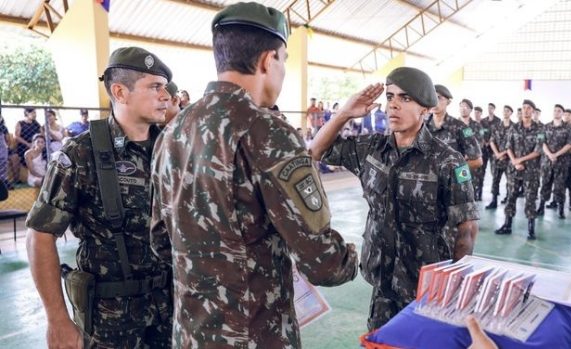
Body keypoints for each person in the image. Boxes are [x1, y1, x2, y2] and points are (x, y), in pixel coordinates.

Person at [150, 3, 358, 347]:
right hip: (254, 335)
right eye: (284, 60)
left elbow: (161, 241)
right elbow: (323, 262)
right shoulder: (267, 131)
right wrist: (352, 258)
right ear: (267, 60)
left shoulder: (173, 131)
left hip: (191, 334)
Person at [26, 46, 173, 348]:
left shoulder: (172, 149)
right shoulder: (80, 153)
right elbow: (40, 236)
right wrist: (58, 320)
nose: (166, 96)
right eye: (155, 87)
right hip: (110, 322)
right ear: (120, 92)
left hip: (169, 311)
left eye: (166, 87)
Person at [311, 66, 479, 331]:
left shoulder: (447, 160)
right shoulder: (372, 148)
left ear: (425, 108)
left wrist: (454, 287)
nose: (393, 105)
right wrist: (344, 113)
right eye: (390, 97)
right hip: (382, 282)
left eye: (405, 98)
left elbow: (466, 230)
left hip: (426, 288)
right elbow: (315, 151)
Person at [495, 99, 542, 239]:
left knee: (530, 199)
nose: (526, 110)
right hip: (514, 170)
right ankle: (507, 225)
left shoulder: (540, 129)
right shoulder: (514, 128)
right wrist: (514, 162)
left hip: (531, 171)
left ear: (533, 111)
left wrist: (519, 160)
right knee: (510, 197)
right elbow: (508, 146)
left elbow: (538, 151)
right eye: (524, 108)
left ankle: (531, 229)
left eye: (529, 108)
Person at [426, 84, 482, 170]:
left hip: (450, 181)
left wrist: (454, 175)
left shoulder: (461, 127)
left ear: (448, 102)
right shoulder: (421, 126)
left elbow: (477, 161)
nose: (434, 101)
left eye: (439, 98)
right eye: (432, 97)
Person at [536, 104, 571, 219]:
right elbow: (542, 142)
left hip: (561, 163)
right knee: (545, 184)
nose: (556, 113)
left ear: (562, 113)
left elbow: (569, 144)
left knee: (560, 186)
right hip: (547, 162)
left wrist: (556, 155)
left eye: (559, 111)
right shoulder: (545, 127)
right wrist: (549, 154)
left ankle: (561, 210)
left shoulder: (568, 128)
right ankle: (541, 207)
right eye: (555, 111)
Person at [485, 105, 514, 209]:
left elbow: (514, 144)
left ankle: (508, 199)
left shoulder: (514, 127)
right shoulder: (497, 126)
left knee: (510, 181)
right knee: (495, 180)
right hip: (496, 159)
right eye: (504, 111)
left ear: (511, 113)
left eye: (508, 111)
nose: (505, 112)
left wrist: (503, 154)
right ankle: (494, 201)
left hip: (509, 159)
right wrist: (497, 154)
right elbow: (492, 141)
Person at [459, 99, 484, 200]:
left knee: (471, 188)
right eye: (461, 106)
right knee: (459, 188)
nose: (463, 109)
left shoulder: (477, 126)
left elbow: (480, 143)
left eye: (466, 107)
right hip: (457, 163)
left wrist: (468, 156)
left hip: (471, 163)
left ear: (470, 110)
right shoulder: (453, 124)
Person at [479, 103, 501, 204]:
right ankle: (479, 193)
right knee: (481, 172)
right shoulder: (483, 121)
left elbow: (497, 134)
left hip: (493, 150)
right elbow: (481, 132)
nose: (490, 110)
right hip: (483, 150)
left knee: (494, 173)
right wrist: (484, 141)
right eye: (488, 108)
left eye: (491, 108)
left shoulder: (498, 121)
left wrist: (490, 142)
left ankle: (495, 194)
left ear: (494, 109)